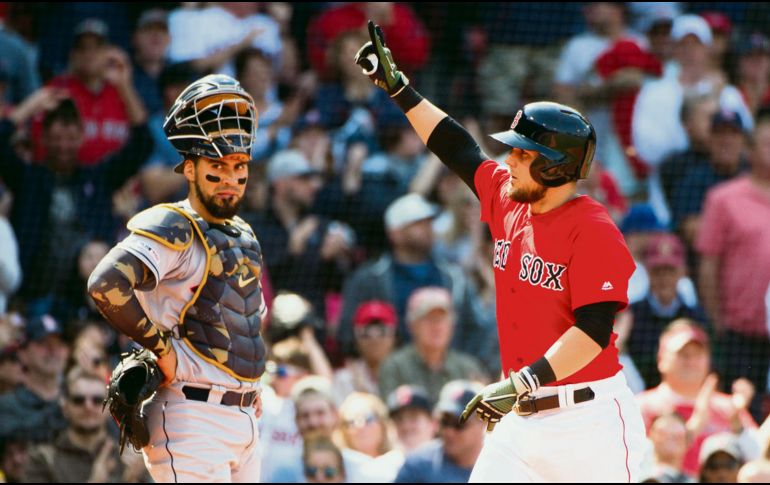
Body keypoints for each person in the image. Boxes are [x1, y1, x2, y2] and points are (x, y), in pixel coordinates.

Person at [355, 21, 646, 481]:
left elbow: (593, 331)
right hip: (522, 419)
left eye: (523, 154)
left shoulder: (593, 230)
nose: (509, 159)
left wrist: (520, 382)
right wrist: (400, 90)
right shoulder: (509, 198)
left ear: (555, 167)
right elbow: (458, 148)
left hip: (588, 422)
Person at [87, 74, 266, 482]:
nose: (230, 178)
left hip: (245, 417)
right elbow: (105, 283)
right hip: (191, 416)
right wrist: (161, 347)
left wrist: (252, 383)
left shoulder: (243, 233)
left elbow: (248, 320)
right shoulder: (174, 223)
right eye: (217, 166)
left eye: (238, 166)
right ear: (189, 168)